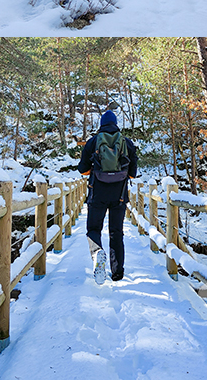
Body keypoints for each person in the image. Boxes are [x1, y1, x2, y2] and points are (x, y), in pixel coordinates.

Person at [78, 110, 138, 284]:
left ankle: (97, 254)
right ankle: (117, 273)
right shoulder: (127, 143)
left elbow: (83, 170)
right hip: (119, 196)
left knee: (93, 229)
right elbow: (133, 174)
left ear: (101, 124)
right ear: (116, 123)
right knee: (116, 233)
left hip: (97, 194)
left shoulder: (93, 142)